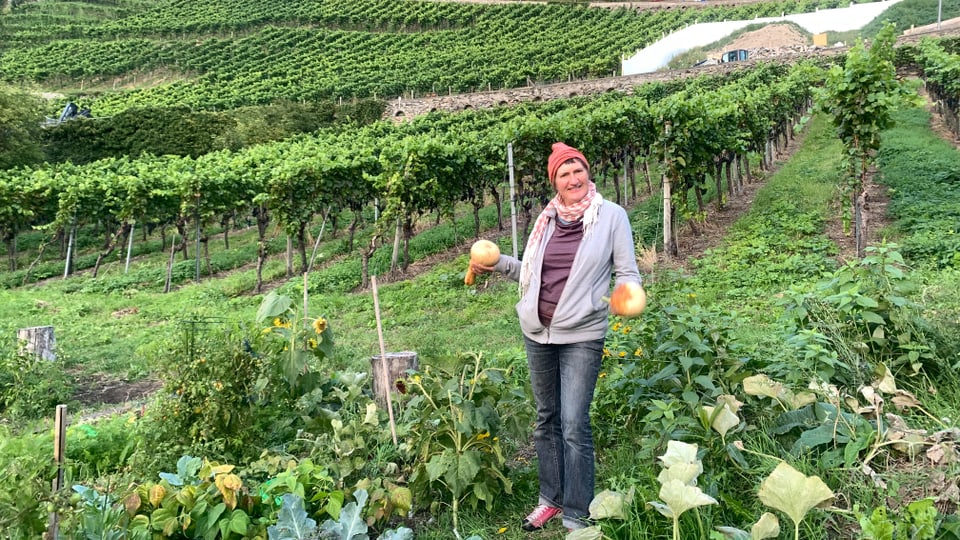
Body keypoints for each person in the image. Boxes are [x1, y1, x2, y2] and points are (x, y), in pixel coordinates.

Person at [470, 142, 641, 531]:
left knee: (574, 422)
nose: (573, 178)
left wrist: (627, 295)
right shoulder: (546, 220)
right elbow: (529, 273)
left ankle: (577, 513)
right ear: (555, 183)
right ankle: (550, 498)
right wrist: (497, 264)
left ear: (588, 173)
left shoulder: (611, 217)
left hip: (582, 333)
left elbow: (628, 273)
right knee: (547, 419)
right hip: (537, 332)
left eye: (577, 170)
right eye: (564, 174)